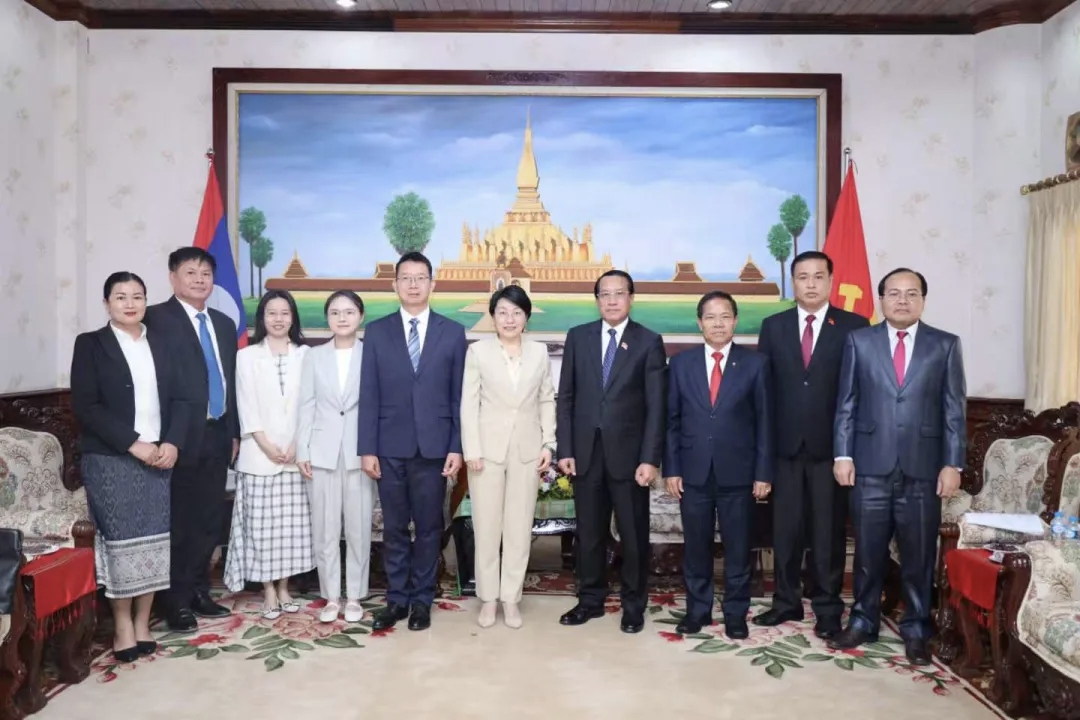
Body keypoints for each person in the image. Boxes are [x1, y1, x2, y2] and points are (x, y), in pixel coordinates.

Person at [829, 268, 966, 665]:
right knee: (868, 553)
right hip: (869, 465)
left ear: (923, 300)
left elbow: (954, 410)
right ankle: (862, 621)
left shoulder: (945, 345)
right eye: (894, 293)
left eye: (911, 293)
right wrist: (842, 455)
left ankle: (917, 629)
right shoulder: (859, 341)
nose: (902, 300)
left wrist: (952, 464)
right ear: (881, 299)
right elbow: (847, 402)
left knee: (918, 556)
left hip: (923, 469)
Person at [71, 271, 195, 662]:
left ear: (145, 300)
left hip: (159, 456)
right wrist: (132, 443)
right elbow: (86, 406)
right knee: (122, 543)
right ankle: (123, 624)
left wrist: (172, 442)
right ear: (106, 303)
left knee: (154, 540)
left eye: (137, 296)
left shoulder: (163, 342)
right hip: (111, 459)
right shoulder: (91, 344)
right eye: (120, 296)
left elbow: (183, 399)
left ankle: (143, 621)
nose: (130, 303)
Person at [751, 251, 869, 639]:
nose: (811, 283)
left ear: (831, 281)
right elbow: (764, 392)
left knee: (827, 534)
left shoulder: (853, 326)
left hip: (831, 451)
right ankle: (785, 601)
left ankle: (828, 608)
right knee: (784, 532)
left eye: (819, 276)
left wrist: (848, 450)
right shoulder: (774, 326)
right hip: (784, 448)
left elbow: (858, 391)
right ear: (793, 283)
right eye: (803, 277)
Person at [358, 251, 468, 632]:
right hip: (388, 446)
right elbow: (369, 393)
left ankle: (422, 600)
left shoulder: (452, 332)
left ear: (432, 284)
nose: (413, 284)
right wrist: (367, 448)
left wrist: (457, 445)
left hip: (434, 448)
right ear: (395, 285)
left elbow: (458, 397)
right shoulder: (377, 332)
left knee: (428, 528)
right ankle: (396, 599)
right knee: (393, 528)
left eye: (421, 277)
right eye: (406, 278)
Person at [556, 270, 666, 634]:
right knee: (589, 535)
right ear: (597, 300)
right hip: (585, 455)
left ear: (631, 298)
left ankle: (634, 606)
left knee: (633, 536)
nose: (612, 300)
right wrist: (565, 448)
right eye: (605, 294)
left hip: (631, 459)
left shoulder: (648, 341)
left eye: (619, 293)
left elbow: (656, 407)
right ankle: (590, 600)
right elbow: (566, 398)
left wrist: (650, 458)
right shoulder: (578, 337)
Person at [663, 291, 771, 639]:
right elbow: (671, 421)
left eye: (725, 316)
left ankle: (736, 614)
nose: (718, 323)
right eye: (710, 317)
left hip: (739, 474)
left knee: (738, 549)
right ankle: (697, 611)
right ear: (700, 323)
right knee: (696, 548)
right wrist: (672, 468)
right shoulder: (681, 364)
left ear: (735, 321)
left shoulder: (755, 364)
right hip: (693, 472)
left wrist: (763, 472)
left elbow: (766, 422)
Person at [144, 247, 239, 633]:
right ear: (173, 277)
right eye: (190, 272)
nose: (200, 279)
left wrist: (234, 431)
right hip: (177, 437)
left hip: (218, 433)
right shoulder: (154, 319)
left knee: (208, 520)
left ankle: (200, 590)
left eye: (205, 273)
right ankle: (175, 600)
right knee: (180, 522)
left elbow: (230, 381)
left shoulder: (223, 324)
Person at [460, 286, 556, 630]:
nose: (509, 319)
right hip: (486, 452)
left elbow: (546, 399)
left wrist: (549, 443)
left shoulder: (539, 353)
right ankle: (488, 598)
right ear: (493, 317)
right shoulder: (478, 352)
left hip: (527, 450)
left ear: (526, 317)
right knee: (487, 527)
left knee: (518, 527)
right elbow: (468, 404)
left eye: (516, 312)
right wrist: (471, 449)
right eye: (502, 312)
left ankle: (511, 598)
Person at [224, 290, 313, 619]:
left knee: (289, 530)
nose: (278, 319)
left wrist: (297, 444)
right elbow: (245, 403)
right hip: (258, 455)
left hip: (295, 457)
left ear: (293, 317)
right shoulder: (247, 356)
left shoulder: (306, 355)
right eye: (271, 313)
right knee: (261, 530)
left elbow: (311, 404)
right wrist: (263, 443)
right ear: (261, 318)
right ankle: (268, 591)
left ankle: (285, 586)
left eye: (284, 313)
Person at [296, 290, 375, 624]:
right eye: (335, 312)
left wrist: (375, 449)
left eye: (349, 312)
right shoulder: (314, 356)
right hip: (322, 451)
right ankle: (330, 596)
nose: (342, 318)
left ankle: (355, 595)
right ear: (327, 318)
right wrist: (302, 449)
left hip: (360, 452)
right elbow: (306, 404)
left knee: (358, 527)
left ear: (360, 316)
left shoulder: (372, 353)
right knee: (325, 529)